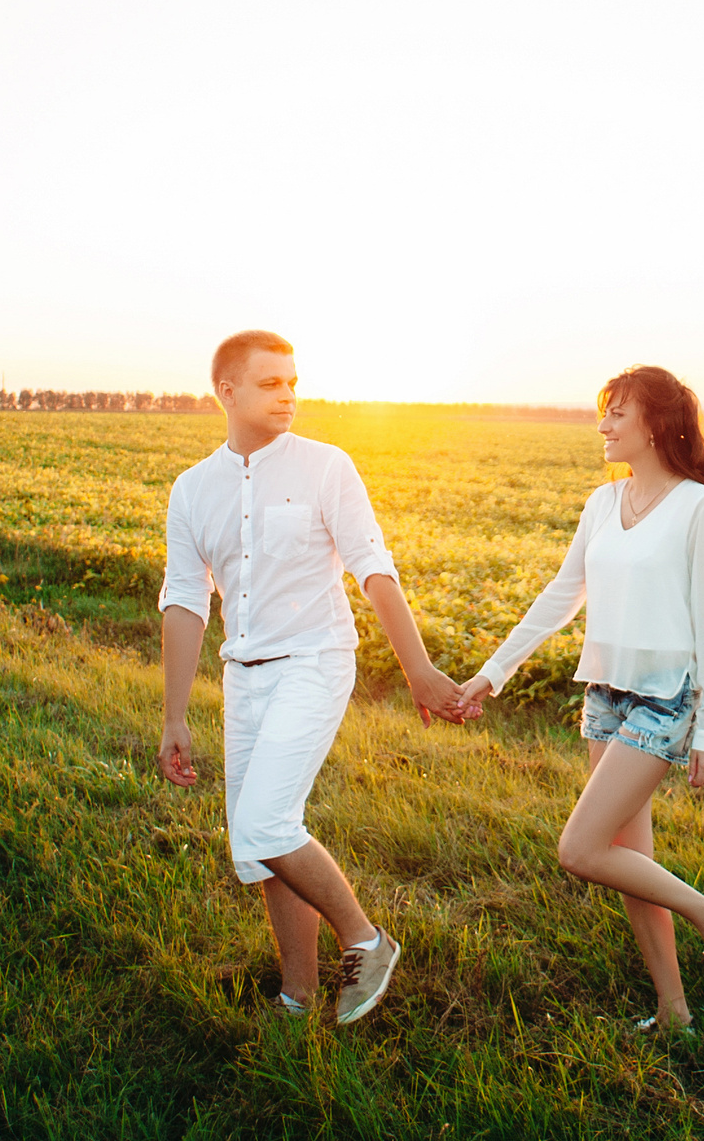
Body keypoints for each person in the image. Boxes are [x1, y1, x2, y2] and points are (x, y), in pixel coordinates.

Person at [156, 329, 469, 1023]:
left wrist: (417, 668)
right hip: (244, 675)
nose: (289, 395)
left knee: (263, 823)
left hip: (316, 660)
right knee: (264, 842)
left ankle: (366, 939)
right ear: (226, 391)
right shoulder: (192, 489)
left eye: (293, 381)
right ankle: (297, 994)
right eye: (271, 383)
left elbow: (373, 568)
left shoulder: (328, 466)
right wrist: (175, 714)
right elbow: (184, 600)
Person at [455, 365, 704, 1032]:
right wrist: (491, 673)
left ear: (654, 424)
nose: (604, 425)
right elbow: (561, 596)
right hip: (605, 696)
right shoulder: (601, 502)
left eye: (617, 413)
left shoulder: (696, 506)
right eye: (604, 412)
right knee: (630, 861)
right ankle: (674, 1010)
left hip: (665, 698)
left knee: (581, 848)